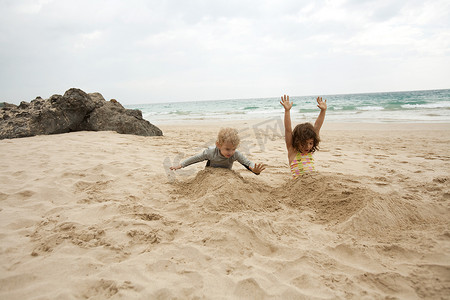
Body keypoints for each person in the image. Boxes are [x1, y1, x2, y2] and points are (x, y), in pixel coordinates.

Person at [170, 127, 266, 175]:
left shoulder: (235, 154)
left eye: (234, 149)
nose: (230, 152)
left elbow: (247, 163)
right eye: (227, 149)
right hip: (210, 173)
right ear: (218, 145)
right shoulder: (210, 152)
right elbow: (196, 158)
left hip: (226, 174)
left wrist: (255, 170)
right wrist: (181, 165)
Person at [280, 94, 327, 179]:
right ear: (296, 141)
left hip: (313, 182)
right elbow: (288, 129)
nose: (308, 146)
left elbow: (317, 126)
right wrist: (287, 111)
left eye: (310, 143)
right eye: (303, 144)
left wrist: (323, 111)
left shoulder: (309, 151)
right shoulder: (292, 150)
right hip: (299, 185)